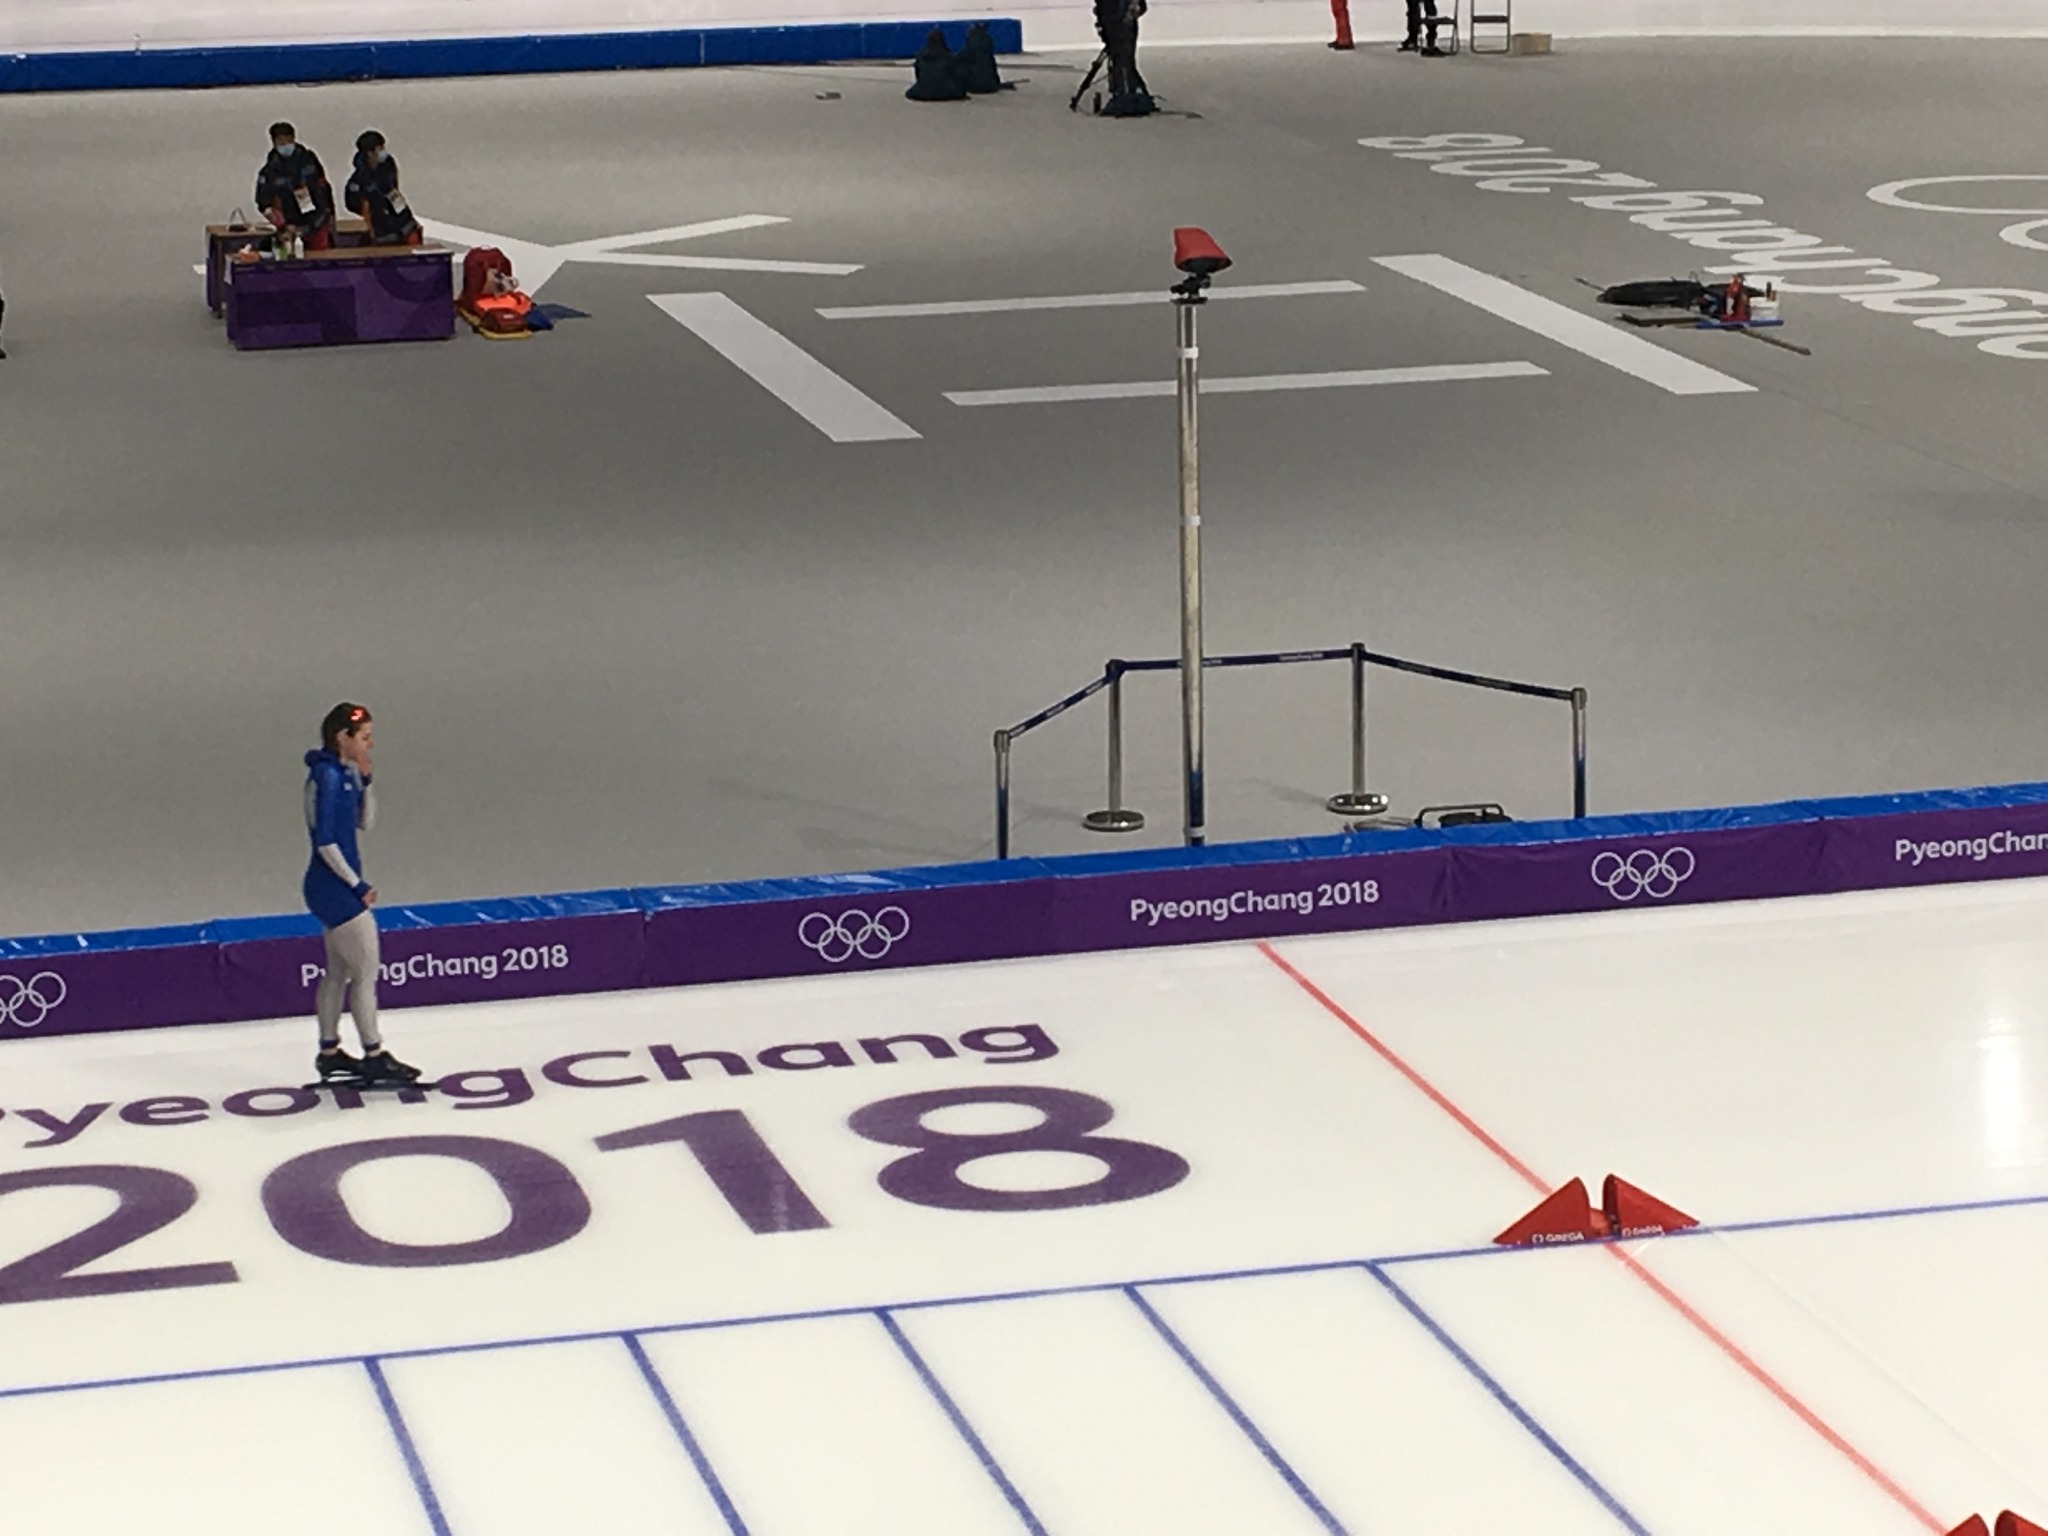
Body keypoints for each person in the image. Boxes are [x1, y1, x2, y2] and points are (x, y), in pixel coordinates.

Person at [303, 703, 418, 1085]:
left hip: (333, 885)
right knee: (366, 972)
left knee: (337, 971)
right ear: (343, 737)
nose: (370, 744)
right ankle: (373, 1052)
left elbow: (365, 822)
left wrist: (367, 783)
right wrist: (357, 885)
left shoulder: (343, 775)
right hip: (334, 886)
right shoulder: (326, 777)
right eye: (365, 737)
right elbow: (326, 843)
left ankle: (329, 1051)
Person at [256, 122, 335, 251]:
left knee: (320, 257)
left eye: (288, 140)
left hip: (317, 223)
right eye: (281, 142)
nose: (286, 145)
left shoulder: (309, 161)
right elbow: (264, 203)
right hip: (288, 230)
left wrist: (330, 216)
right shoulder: (269, 171)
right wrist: (282, 225)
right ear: (274, 142)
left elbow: (324, 189)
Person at [344, 130, 423, 246]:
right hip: (382, 231)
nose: (383, 151)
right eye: (380, 148)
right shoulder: (359, 180)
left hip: (403, 221)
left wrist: (410, 219)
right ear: (370, 153)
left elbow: (394, 191)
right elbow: (360, 206)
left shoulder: (388, 165)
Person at [1094, 0, 1153, 117]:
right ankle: (1127, 93)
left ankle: (1125, 96)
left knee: (1122, 57)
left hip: (1118, 14)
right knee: (1123, 57)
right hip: (1115, 14)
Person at [904, 28, 969, 101]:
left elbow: (918, 72)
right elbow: (956, 74)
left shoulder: (922, 55)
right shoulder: (947, 55)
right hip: (946, 90)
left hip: (924, 90)